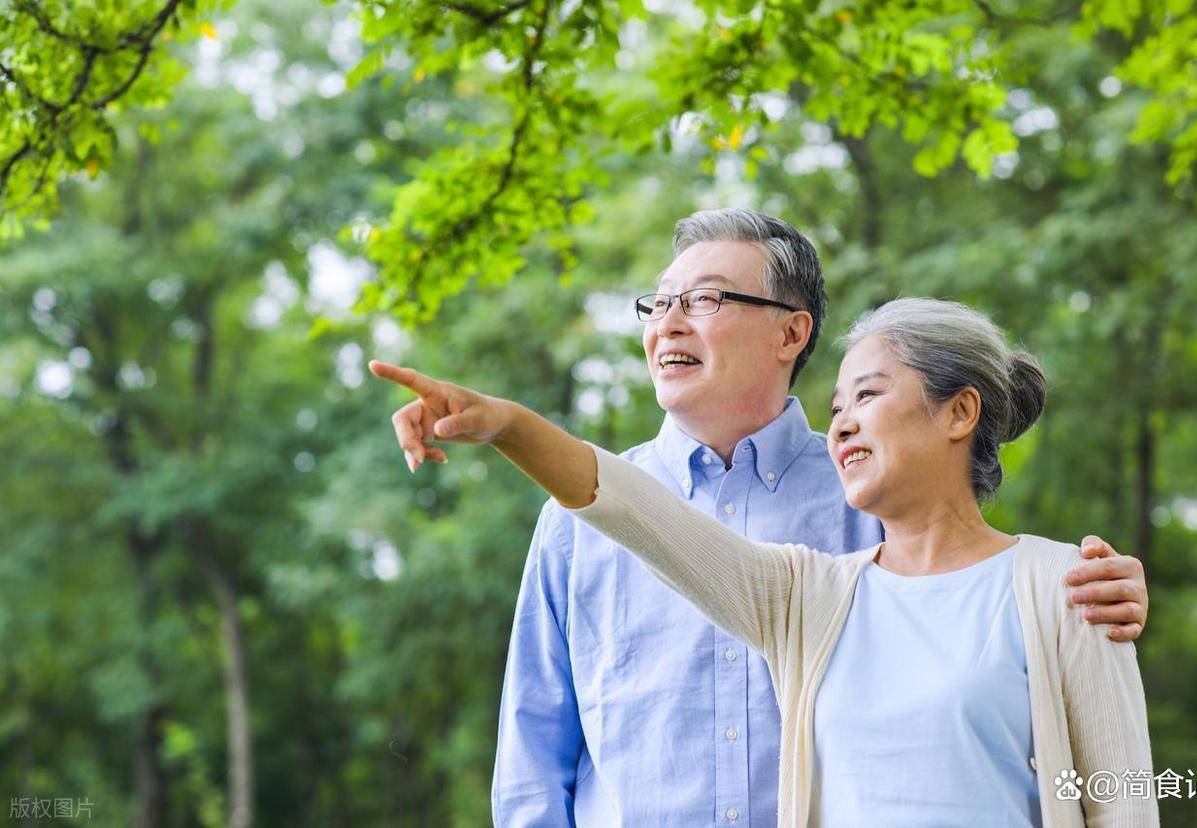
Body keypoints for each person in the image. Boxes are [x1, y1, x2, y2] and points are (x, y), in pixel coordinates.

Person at [376, 210, 1150, 827]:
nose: (670, 322)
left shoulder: (994, 561)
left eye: (706, 298)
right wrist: (510, 426)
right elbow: (620, 513)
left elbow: (1115, 789)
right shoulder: (804, 589)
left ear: (792, 331)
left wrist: (1083, 607)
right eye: (661, 302)